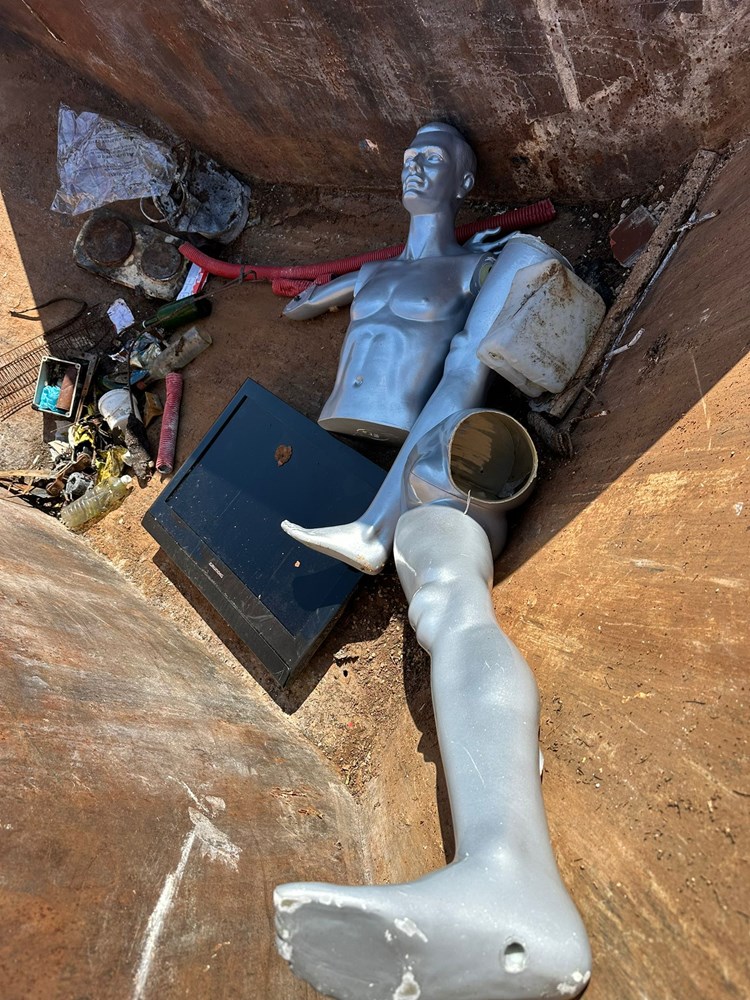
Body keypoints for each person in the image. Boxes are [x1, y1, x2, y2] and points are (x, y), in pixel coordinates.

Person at [283, 121, 493, 444]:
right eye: (409, 159)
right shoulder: (372, 272)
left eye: (432, 158)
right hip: (338, 414)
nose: (414, 167)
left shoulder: (471, 270)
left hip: (409, 426)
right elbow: (297, 307)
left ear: (463, 183)